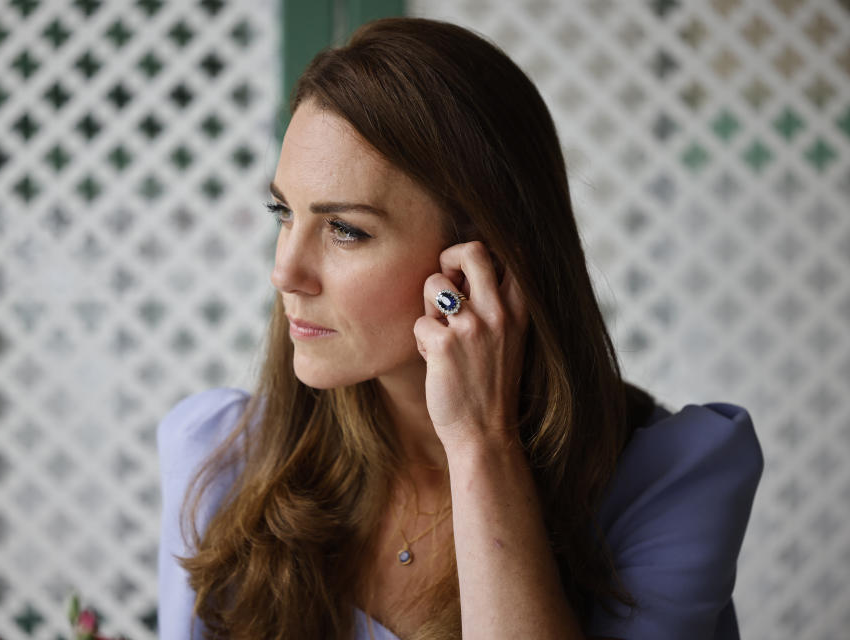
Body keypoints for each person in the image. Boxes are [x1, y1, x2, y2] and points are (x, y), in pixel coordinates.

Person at [157, 16, 763, 640]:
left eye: (345, 230)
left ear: (481, 260)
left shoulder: (671, 484)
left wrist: (481, 443)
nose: (285, 271)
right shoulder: (218, 458)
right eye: (283, 212)